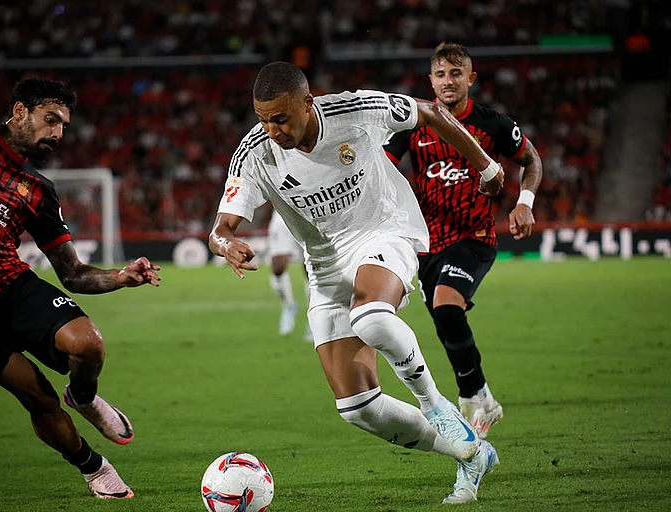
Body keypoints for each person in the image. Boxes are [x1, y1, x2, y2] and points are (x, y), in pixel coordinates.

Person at [209, 61, 505, 504]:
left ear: (308, 103)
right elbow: (219, 227)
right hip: (325, 267)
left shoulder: (356, 109)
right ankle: (471, 454)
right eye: (263, 119)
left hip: (385, 229)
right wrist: (226, 243)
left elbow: (429, 112)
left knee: (370, 316)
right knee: (358, 408)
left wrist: (485, 166)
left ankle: (435, 404)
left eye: (281, 118)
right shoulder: (256, 152)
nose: (272, 129)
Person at [0, 77, 161, 500]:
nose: (58, 133)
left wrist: (120, 276)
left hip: (10, 285)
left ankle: (84, 396)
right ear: (20, 111)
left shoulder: (39, 190)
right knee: (38, 397)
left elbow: (73, 274)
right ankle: (93, 467)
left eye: (64, 125)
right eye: (51, 119)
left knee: (89, 344)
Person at [384, 42, 543, 438]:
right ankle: (483, 397)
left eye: (456, 73)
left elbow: (531, 160)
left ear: (471, 78)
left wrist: (524, 202)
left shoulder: (493, 125)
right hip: (426, 244)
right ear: (430, 81)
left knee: (448, 307)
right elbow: (383, 167)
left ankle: (471, 399)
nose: (448, 81)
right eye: (440, 74)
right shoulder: (414, 125)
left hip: (475, 238)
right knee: (443, 320)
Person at [267, 209, 312, 340]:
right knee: (278, 266)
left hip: (307, 211)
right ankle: (288, 305)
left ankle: (313, 318)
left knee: (311, 267)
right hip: (282, 213)